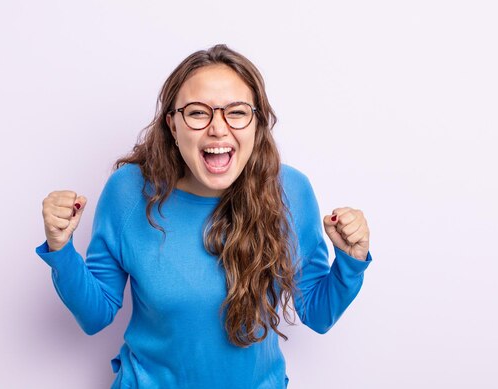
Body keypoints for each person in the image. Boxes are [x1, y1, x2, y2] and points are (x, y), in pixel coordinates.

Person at [36, 44, 372, 389]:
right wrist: (61, 249)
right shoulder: (127, 192)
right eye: (198, 113)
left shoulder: (291, 191)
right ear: (172, 125)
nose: (218, 129)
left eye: (237, 112)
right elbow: (95, 316)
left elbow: (317, 313)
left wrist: (351, 259)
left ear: (256, 123)